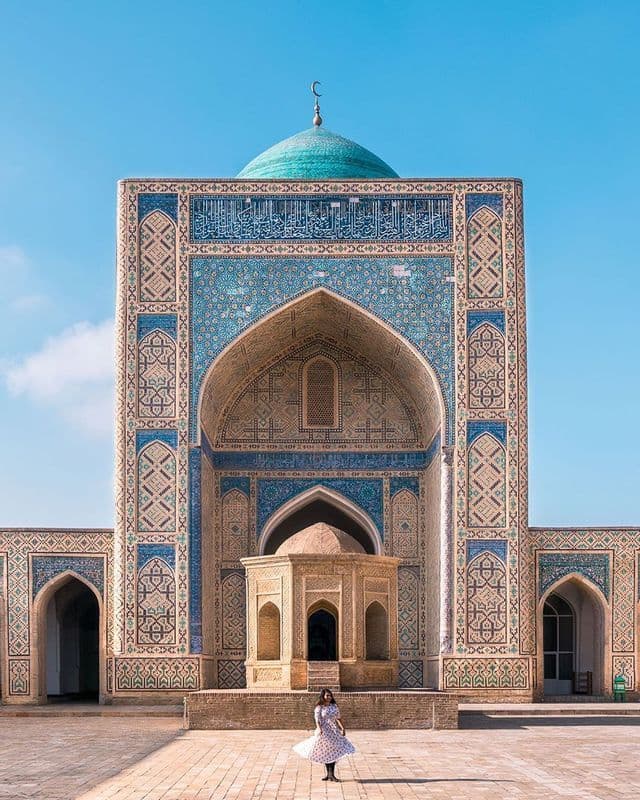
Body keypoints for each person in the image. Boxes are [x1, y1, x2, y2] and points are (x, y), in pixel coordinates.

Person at [293, 688, 356, 782]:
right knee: (326, 752)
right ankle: (329, 774)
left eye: (330, 695)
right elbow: (317, 719)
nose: (329, 697)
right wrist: (319, 728)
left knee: (333, 752)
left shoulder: (334, 706)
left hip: (334, 732)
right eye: (327, 695)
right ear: (323, 696)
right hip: (324, 731)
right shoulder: (319, 707)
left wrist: (342, 728)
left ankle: (332, 775)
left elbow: (338, 718)